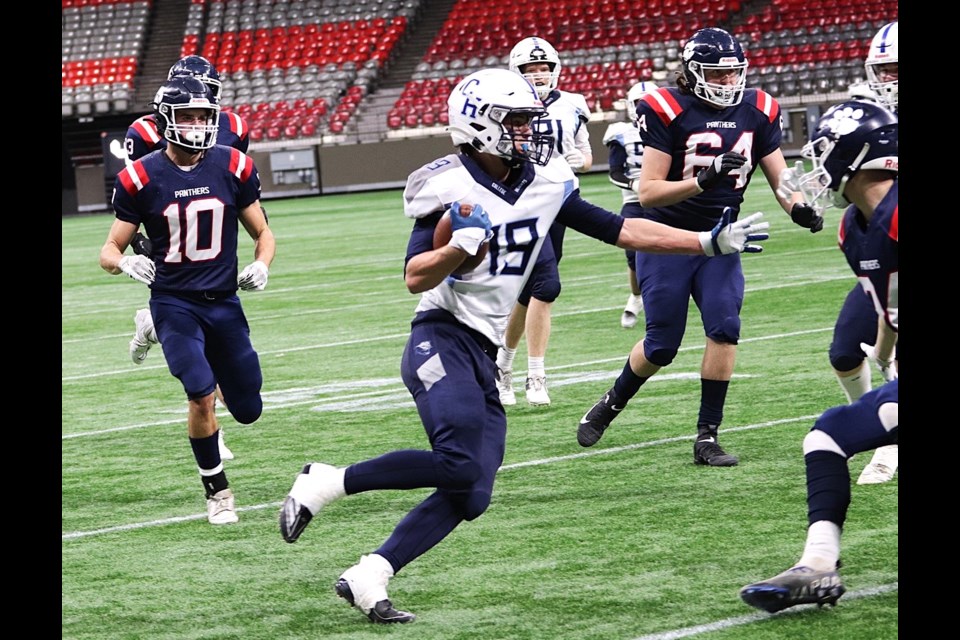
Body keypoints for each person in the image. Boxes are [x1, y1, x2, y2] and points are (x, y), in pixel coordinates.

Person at [278, 68, 769, 624]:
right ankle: (328, 481)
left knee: (472, 492)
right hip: (439, 336)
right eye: (513, 121)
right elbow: (416, 276)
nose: (525, 132)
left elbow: (621, 229)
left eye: (526, 121)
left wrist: (704, 241)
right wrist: (456, 249)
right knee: (459, 463)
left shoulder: (546, 178)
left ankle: (372, 572)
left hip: (483, 349)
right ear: (478, 124)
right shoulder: (443, 183)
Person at [576, 27, 824, 466]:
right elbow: (648, 192)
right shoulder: (667, 108)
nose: (728, 83)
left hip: (723, 236)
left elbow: (782, 180)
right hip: (665, 237)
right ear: (691, 73)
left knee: (725, 327)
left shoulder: (759, 109)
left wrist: (799, 208)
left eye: (733, 74)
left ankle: (707, 435)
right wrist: (701, 181)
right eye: (717, 74)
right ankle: (612, 402)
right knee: (662, 345)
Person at [740, 98, 898, 613]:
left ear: (853, 155)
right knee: (827, 433)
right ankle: (818, 563)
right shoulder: (854, 226)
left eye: (824, 151)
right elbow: (888, 308)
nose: (815, 166)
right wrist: (888, 352)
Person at [99, 77, 275, 525]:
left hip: (224, 302)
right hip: (174, 301)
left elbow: (263, 232)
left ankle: (151, 329)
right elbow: (108, 250)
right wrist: (124, 264)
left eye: (203, 116)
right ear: (165, 120)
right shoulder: (140, 175)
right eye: (188, 116)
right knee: (200, 393)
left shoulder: (233, 165)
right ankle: (217, 490)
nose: (197, 125)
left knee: (249, 410)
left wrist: (263, 263)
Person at [124, 54, 253, 460]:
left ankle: (152, 327)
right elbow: (140, 194)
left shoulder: (232, 126)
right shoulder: (144, 132)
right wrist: (139, 248)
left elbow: (236, 182)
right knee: (191, 339)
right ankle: (209, 425)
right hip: (168, 239)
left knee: (224, 346)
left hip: (214, 238)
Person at [495, 36, 593, 406]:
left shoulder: (572, 105)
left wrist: (575, 163)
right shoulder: (506, 105)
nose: (538, 74)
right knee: (547, 285)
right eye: (529, 69)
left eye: (543, 67)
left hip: (564, 198)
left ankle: (502, 366)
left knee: (529, 291)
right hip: (524, 202)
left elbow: (585, 154)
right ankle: (536, 375)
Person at [828, 20, 899, 485]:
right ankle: (880, 429)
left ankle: (890, 444)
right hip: (883, 234)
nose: (889, 79)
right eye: (885, 69)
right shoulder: (868, 110)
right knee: (845, 351)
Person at [602, 81, 658, 329]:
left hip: (666, 197)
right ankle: (636, 297)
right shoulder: (621, 133)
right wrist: (637, 185)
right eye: (639, 102)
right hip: (635, 200)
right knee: (632, 251)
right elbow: (615, 172)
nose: (643, 107)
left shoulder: (674, 128)